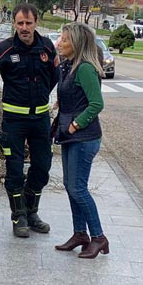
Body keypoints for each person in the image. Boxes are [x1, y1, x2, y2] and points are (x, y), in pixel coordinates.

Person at [0, 2, 58, 238]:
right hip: (14, 121)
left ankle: (32, 213)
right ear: (14, 24)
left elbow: (54, 77)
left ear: (35, 23)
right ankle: (18, 216)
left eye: (28, 23)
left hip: (40, 120)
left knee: (42, 168)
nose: (24, 27)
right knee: (14, 171)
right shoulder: (6, 48)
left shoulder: (47, 48)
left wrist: (40, 97)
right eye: (19, 23)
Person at [52, 22, 108, 258]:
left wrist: (76, 124)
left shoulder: (84, 68)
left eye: (64, 40)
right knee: (70, 186)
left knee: (78, 188)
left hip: (83, 137)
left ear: (76, 43)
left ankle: (98, 237)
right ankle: (80, 234)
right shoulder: (70, 66)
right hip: (71, 135)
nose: (59, 43)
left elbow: (97, 103)